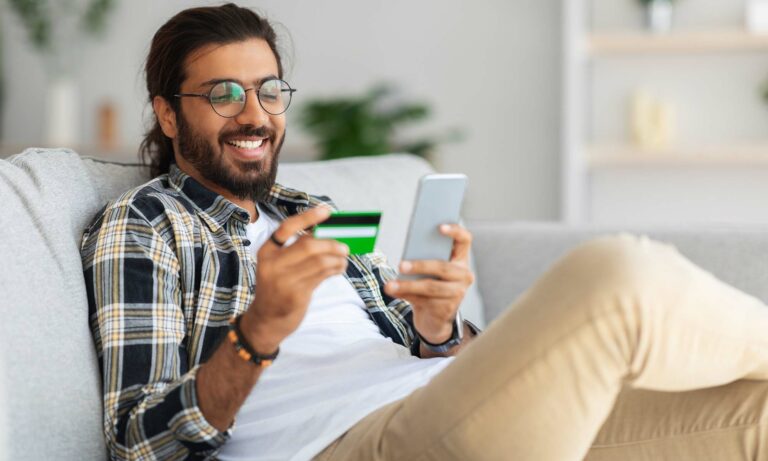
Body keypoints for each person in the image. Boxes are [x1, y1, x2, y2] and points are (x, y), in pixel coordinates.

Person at [80, 4, 768, 461]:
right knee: (616, 278)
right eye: (223, 94)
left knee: (755, 412)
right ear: (168, 115)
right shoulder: (145, 225)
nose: (254, 114)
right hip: (353, 443)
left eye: (268, 90)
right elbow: (138, 441)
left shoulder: (306, 210)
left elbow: (420, 349)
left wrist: (439, 327)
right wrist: (258, 329)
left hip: (440, 406)